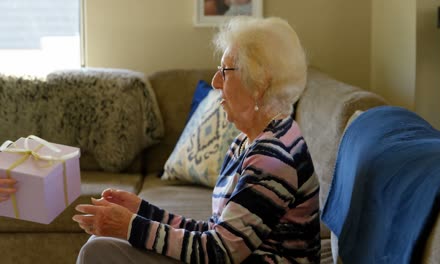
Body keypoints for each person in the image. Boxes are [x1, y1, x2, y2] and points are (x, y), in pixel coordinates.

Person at [73, 16, 321, 263]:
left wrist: (130, 227)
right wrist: (143, 212)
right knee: (102, 245)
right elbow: (217, 233)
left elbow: (219, 252)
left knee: (99, 251)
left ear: (259, 82)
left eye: (225, 71)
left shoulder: (272, 158)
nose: (215, 82)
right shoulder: (250, 141)